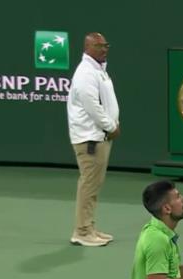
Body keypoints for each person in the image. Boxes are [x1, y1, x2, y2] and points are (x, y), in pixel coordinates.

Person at [67, 32, 121, 247]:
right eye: (99, 46)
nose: (105, 49)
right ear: (88, 48)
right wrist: (110, 126)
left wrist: (111, 125)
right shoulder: (86, 73)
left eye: (106, 45)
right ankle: (81, 231)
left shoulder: (97, 70)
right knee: (88, 185)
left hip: (99, 136)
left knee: (93, 185)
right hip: (90, 138)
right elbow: (92, 107)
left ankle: (89, 227)